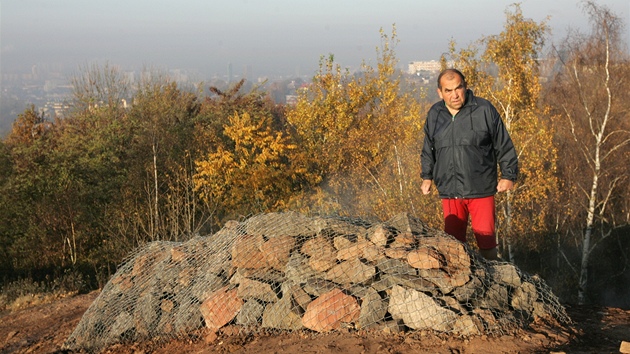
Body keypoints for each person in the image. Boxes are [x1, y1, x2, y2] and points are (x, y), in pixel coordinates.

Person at [420, 68, 518, 260]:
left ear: (465, 87)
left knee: (487, 244)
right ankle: (459, 284)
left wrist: (508, 175)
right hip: (450, 190)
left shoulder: (484, 110)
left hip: (481, 189)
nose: (454, 94)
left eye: (458, 88)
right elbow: (428, 148)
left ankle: (493, 280)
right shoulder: (435, 114)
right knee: (453, 246)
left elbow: (503, 144)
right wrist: (427, 176)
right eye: (448, 90)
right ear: (440, 92)